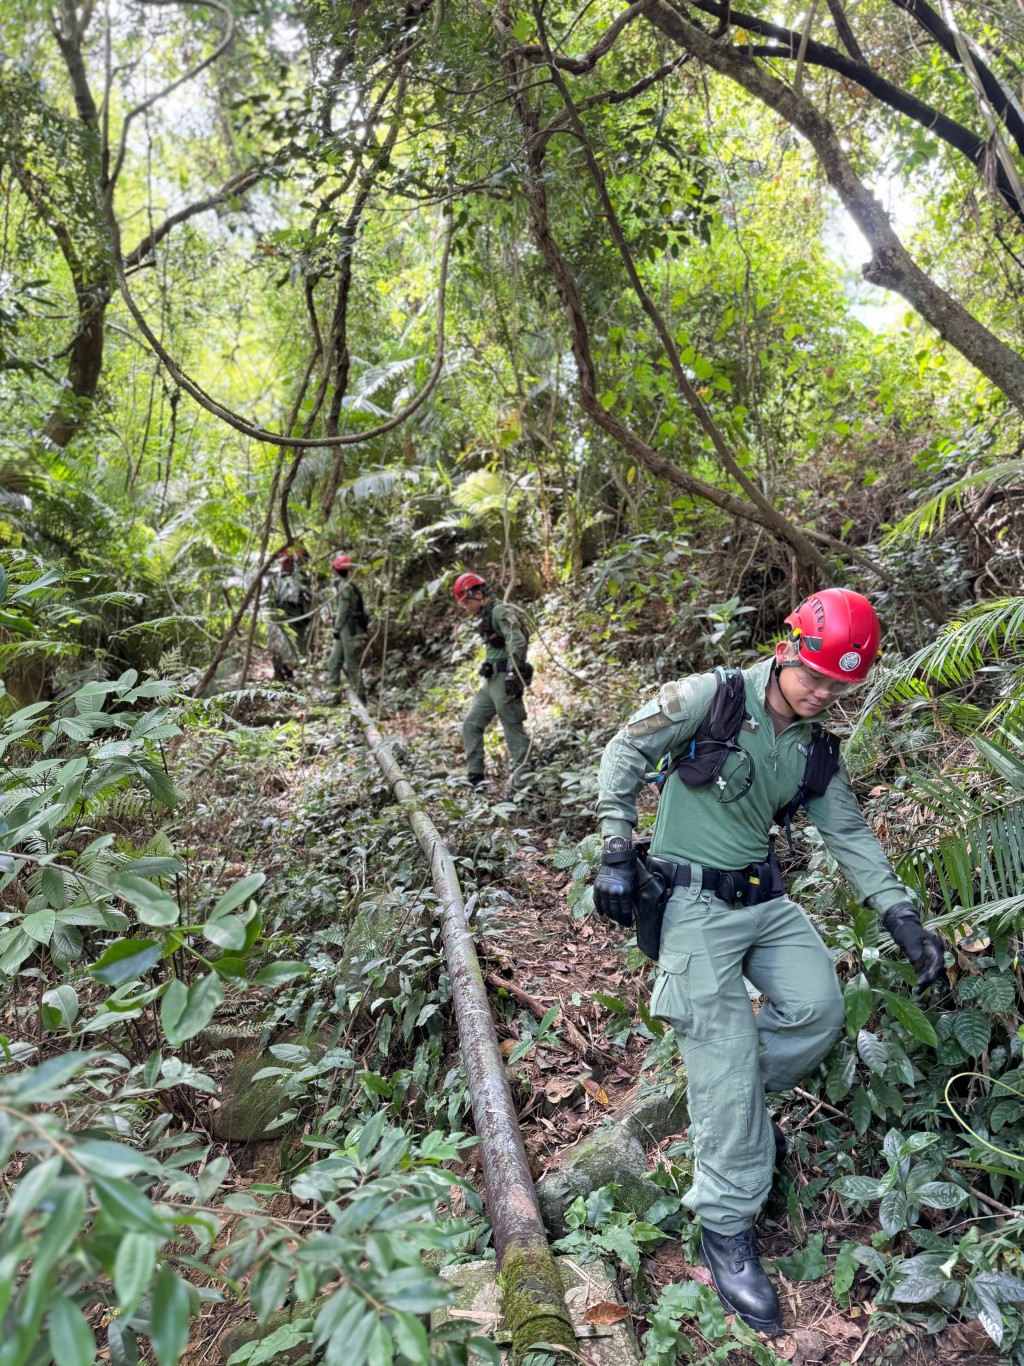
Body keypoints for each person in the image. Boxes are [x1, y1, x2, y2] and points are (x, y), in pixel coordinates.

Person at [592, 588, 945, 1336]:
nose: (819, 693)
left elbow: (848, 833)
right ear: (787, 647)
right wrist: (616, 845)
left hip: (763, 899)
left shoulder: (815, 749)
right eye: (813, 675)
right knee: (720, 1052)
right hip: (689, 903)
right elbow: (624, 747)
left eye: (836, 687)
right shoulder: (710, 699)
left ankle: (733, 1115)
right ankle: (724, 1226)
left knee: (818, 1011)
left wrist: (902, 915)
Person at [453, 572, 533, 789]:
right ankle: (475, 777)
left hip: (503, 678)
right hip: (490, 682)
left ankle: (523, 781)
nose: (466, 607)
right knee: (471, 722)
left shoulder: (499, 611)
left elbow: (517, 640)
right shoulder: (487, 615)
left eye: (467, 602)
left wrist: (512, 672)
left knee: (512, 726)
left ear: (478, 594)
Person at [326, 553, 369, 699]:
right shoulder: (345, 585)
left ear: (335, 570)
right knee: (333, 663)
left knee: (352, 666)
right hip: (344, 630)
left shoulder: (345, 587)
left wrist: (336, 627)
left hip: (348, 629)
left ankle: (361, 698)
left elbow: (343, 610)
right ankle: (332, 696)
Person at [266, 547, 312, 681]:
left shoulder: (301, 576)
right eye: (284, 561)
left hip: (297, 614)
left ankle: (301, 674)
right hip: (277, 613)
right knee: (276, 644)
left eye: (289, 561)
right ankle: (280, 673)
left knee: (298, 644)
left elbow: (310, 595)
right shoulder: (273, 576)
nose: (286, 564)